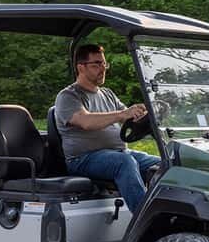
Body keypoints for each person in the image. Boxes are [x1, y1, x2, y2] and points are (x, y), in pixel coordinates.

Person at [54, 44, 161, 213]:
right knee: (124, 162)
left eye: (104, 64)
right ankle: (146, 220)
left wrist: (142, 115)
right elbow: (85, 121)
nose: (103, 69)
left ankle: (169, 215)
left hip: (119, 153)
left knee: (164, 164)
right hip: (83, 159)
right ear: (81, 67)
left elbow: (127, 118)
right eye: (96, 64)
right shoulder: (68, 96)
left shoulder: (108, 94)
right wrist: (122, 114)